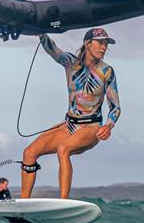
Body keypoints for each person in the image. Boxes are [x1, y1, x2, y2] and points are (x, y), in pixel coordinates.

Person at [20, 28, 121, 199]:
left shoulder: (107, 71)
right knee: (29, 152)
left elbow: (115, 107)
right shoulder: (70, 63)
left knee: (63, 149)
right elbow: (54, 50)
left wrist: (109, 125)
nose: (104, 47)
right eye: (100, 43)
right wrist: (41, 33)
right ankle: (22, 205)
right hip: (69, 125)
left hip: (91, 127)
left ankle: (63, 202)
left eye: (106, 44)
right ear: (87, 43)